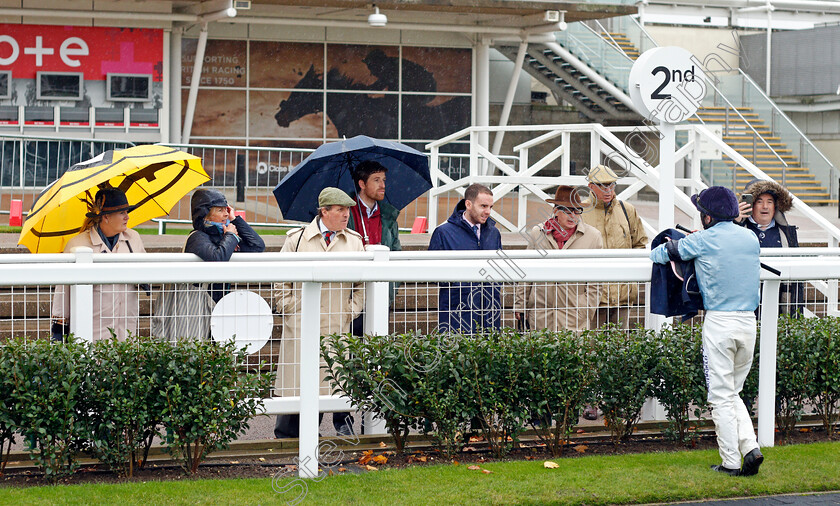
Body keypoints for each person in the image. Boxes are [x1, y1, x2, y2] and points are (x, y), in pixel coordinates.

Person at [650, 186, 764, 477]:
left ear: (708, 217)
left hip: (720, 324)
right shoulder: (750, 237)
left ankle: (730, 462)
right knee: (733, 392)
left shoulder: (703, 239)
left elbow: (660, 254)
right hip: (749, 323)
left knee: (720, 396)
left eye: (702, 213)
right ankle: (750, 448)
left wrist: (680, 243)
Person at [273, 187, 365, 439]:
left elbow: (362, 285)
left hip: (336, 324)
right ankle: (287, 438)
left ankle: (312, 437)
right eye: (340, 210)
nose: (346, 215)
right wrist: (289, 308)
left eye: (348, 210)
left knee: (329, 384)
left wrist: (350, 311)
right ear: (324, 211)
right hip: (301, 323)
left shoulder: (355, 242)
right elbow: (280, 280)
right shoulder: (297, 239)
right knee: (297, 382)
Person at [51, 187, 146, 342]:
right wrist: (58, 331)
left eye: (127, 212)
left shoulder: (133, 239)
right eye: (122, 212)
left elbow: (146, 271)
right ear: (106, 217)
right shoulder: (77, 244)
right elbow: (63, 293)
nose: (127, 217)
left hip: (126, 330)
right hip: (91, 332)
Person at [514, 185, 603, 331]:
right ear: (556, 211)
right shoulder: (538, 233)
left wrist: (585, 309)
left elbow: (596, 281)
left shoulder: (593, 236)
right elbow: (527, 272)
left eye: (577, 210)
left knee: (573, 353)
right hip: (541, 316)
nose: (573, 215)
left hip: (574, 317)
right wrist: (520, 304)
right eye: (567, 210)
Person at [580, 164, 648, 329]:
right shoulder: (580, 212)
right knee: (591, 349)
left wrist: (630, 280)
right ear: (591, 186)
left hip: (622, 295)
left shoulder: (627, 210)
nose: (608, 190)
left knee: (620, 349)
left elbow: (640, 245)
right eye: (603, 185)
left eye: (611, 185)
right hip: (592, 297)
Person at [428, 183, 502, 334]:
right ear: (468, 204)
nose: (488, 211)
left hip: (489, 315)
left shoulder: (494, 233)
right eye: (483, 206)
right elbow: (433, 273)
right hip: (456, 313)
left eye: (490, 207)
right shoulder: (443, 233)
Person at [347, 160, 401, 335]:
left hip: (380, 295)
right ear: (362, 184)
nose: (383, 185)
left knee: (377, 355)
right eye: (376, 180)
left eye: (384, 180)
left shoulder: (389, 216)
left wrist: (390, 293)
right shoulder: (346, 214)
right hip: (351, 297)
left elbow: (396, 255)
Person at [185, 188, 266, 302]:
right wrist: (231, 236)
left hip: (217, 304)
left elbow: (257, 246)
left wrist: (235, 219)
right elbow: (218, 259)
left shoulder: (224, 235)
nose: (226, 214)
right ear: (205, 215)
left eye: (226, 209)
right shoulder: (197, 237)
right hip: (197, 306)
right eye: (220, 210)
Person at [736, 179, 803, 315]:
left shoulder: (787, 234)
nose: (765, 206)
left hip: (778, 302)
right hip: (744, 304)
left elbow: (796, 281)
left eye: (770, 202)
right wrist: (733, 222)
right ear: (750, 205)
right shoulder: (737, 229)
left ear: (776, 206)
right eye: (759, 201)